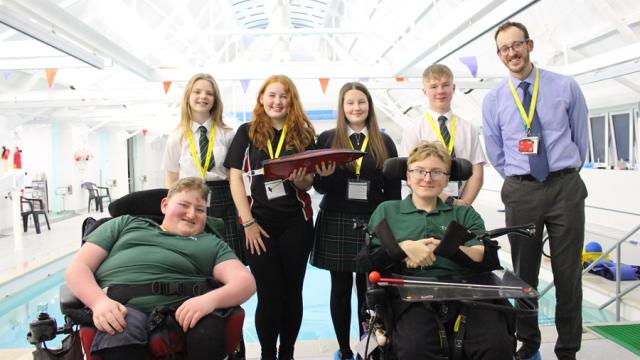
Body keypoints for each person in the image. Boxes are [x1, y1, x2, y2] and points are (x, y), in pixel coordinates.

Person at [482, 21, 588, 360]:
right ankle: (528, 343)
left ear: (530, 45)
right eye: (504, 48)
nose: (511, 52)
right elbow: (495, 151)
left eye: (517, 45)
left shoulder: (565, 87)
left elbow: (581, 139)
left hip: (564, 187)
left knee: (568, 272)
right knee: (522, 273)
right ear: (499, 55)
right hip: (521, 190)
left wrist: (561, 172)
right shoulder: (494, 98)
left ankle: (568, 348)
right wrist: (521, 178)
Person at [64, 177, 256, 360]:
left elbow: (244, 281)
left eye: (200, 210)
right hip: (121, 308)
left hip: (184, 310)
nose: (191, 214)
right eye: (183, 205)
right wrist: (98, 302)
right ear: (165, 205)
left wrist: (209, 301)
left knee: (208, 326)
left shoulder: (211, 243)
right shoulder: (124, 224)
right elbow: (78, 268)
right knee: (120, 330)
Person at [366, 141, 512, 359]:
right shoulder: (387, 211)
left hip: (467, 292)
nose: (427, 178)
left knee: (495, 346)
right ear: (407, 174)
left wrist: (442, 246)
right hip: (410, 297)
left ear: (447, 179)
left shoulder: (463, 214)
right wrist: (404, 249)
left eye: (436, 172)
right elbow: (368, 260)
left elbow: (484, 256)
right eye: (419, 171)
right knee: (414, 349)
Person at [225, 74, 331, 360]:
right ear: (261, 98)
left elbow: (307, 184)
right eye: (272, 95)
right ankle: (268, 354)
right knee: (269, 294)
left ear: (291, 100)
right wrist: (247, 222)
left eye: (283, 96)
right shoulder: (246, 133)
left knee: (292, 293)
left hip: (296, 223)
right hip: (259, 223)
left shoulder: (304, 136)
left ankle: (287, 353)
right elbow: (235, 179)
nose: (277, 101)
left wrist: (300, 179)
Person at [311, 81, 401, 360]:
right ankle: (345, 348)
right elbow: (319, 188)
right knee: (339, 288)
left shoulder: (383, 141)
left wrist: (391, 226)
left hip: (372, 220)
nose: (356, 108)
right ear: (342, 107)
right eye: (350, 103)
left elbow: (394, 191)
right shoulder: (327, 139)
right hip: (336, 217)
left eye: (361, 102)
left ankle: (368, 346)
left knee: (369, 288)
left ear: (369, 106)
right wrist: (325, 177)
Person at [162, 73, 245, 263]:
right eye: (197, 91)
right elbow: (171, 178)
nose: (203, 97)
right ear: (188, 97)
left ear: (215, 100)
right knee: (195, 256)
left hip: (223, 197)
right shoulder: (176, 136)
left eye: (209, 93)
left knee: (228, 257)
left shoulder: (228, 134)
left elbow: (235, 176)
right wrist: (173, 209)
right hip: (189, 197)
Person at [398, 64, 485, 206]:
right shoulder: (413, 128)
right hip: (424, 205)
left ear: (454, 88)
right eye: (433, 87)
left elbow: (477, 172)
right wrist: (447, 200)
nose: (440, 91)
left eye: (445, 85)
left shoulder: (468, 128)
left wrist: (464, 204)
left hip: (461, 204)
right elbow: (408, 173)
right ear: (424, 91)